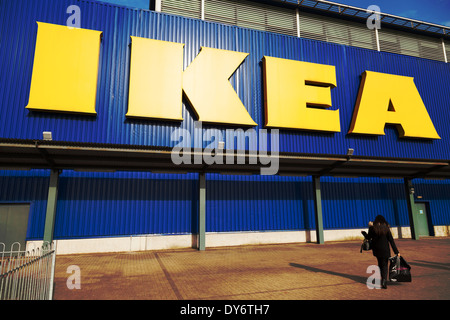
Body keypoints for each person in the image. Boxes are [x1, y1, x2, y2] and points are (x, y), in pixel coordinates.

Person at [362, 215, 400, 289]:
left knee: (380, 264)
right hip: (385, 250)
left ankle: (382, 278)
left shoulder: (373, 229)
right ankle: (384, 281)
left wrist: (365, 231)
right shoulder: (386, 229)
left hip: (377, 250)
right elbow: (391, 241)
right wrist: (396, 252)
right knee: (384, 265)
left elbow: (368, 237)